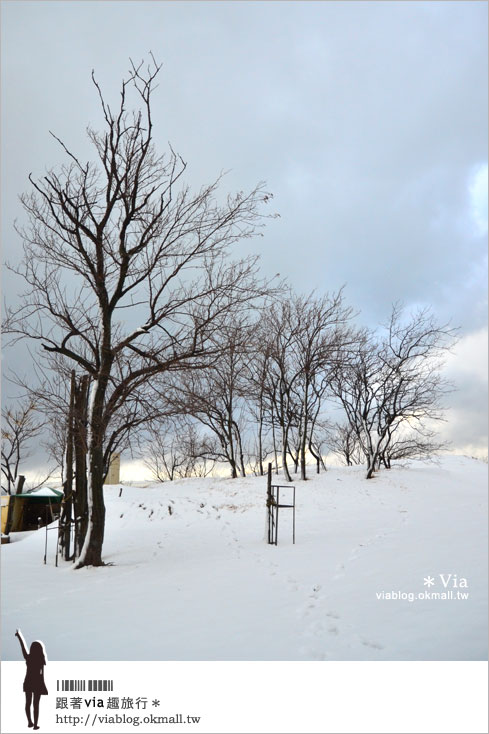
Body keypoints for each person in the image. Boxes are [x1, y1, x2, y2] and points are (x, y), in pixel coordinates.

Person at [15, 629, 48, 730]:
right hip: (37, 683)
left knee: (28, 703)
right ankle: (35, 725)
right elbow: (42, 675)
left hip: (28, 682)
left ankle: (29, 721)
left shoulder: (28, 658)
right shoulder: (41, 660)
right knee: (36, 705)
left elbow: (22, 646)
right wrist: (43, 686)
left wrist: (19, 636)